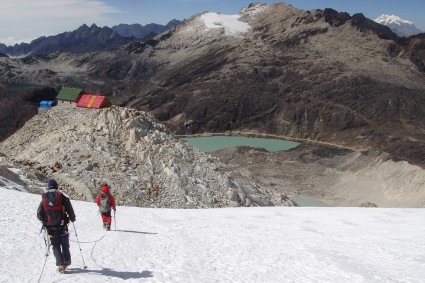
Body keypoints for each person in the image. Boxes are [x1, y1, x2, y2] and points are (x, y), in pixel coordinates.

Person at [37, 179, 76, 273]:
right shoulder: (62, 197)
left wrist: (45, 222)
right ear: (56, 186)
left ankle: (61, 264)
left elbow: (39, 214)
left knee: (55, 245)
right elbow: (70, 210)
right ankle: (67, 260)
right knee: (65, 244)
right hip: (63, 226)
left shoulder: (44, 198)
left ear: (48, 187)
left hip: (51, 228)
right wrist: (72, 218)